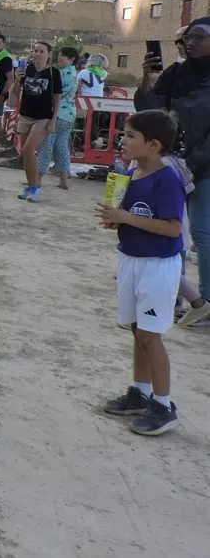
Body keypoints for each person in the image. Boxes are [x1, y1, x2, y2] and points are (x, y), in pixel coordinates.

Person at [98, 110, 185, 436]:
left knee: (150, 335)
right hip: (132, 259)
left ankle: (164, 405)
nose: (123, 140)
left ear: (153, 145)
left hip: (157, 265)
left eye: (130, 135)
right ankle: (141, 391)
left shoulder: (166, 179)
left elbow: (172, 228)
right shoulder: (132, 173)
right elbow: (133, 216)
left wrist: (127, 218)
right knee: (138, 330)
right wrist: (116, 220)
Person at [136, 16, 210, 320]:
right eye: (186, 38)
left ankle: (206, 301)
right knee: (169, 231)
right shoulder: (177, 73)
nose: (189, 43)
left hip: (204, 168)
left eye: (197, 37)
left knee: (202, 234)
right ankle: (173, 296)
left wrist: (191, 164)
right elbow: (150, 112)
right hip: (173, 165)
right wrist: (147, 79)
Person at [9, 40, 62, 202]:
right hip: (25, 115)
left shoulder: (53, 72)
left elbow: (57, 99)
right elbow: (14, 93)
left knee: (29, 148)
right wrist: (17, 79)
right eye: (35, 50)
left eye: (41, 51)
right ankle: (30, 185)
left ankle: (36, 186)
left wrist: (53, 120)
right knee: (25, 152)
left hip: (43, 117)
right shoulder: (28, 69)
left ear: (49, 54)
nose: (37, 54)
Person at [37, 46, 78, 189]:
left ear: (71, 59)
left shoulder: (61, 73)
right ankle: (63, 181)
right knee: (61, 147)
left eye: (63, 56)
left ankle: (37, 179)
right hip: (69, 115)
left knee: (46, 146)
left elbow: (54, 93)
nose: (59, 57)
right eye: (59, 54)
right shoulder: (74, 73)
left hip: (57, 115)